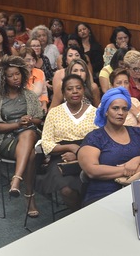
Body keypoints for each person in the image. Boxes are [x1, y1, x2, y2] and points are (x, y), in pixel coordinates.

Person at [77, 86, 140, 206]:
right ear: (106, 111)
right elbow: (92, 170)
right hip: (104, 194)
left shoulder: (139, 132)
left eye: (124, 109)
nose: (120, 113)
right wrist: (129, 170)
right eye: (115, 108)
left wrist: (137, 160)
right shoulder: (95, 137)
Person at [0, 55, 44, 218]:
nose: (15, 78)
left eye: (17, 74)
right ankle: (29, 195)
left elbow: (39, 119)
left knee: (29, 133)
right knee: (30, 154)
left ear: (23, 74)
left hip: (31, 135)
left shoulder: (29, 95)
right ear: (3, 78)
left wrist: (29, 120)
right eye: (10, 75)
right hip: (7, 140)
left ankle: (16, 180)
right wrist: (18, 124)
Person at [39, 74, 98, 209]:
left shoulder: (95, 112)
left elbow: (100, 141)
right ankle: (80, 213)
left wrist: (79, 153)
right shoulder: (54, 113)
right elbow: (46, 143)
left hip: (90, 155)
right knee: (67, 190)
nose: (75, 91)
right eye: (70, 89)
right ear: (64, 93)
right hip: (62, 158)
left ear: (84, 90)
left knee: (94, 183)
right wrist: (70, 147)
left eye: (78, 88)